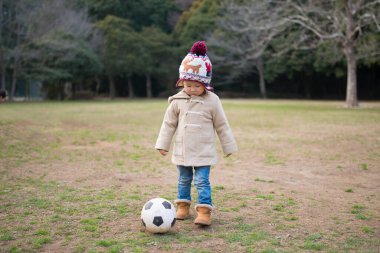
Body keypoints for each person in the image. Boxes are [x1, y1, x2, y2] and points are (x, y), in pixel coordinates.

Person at [155, 41, 238, 226]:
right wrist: (163, 145)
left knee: (202, 181)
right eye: (187, 84)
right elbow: (168, 124)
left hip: (203, 151)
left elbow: (222, 125)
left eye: (196, 85)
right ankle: (183, 206)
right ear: (181, 81)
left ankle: (204, 211)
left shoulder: (213, 101)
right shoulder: (177, 101)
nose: (191, 89)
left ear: (205, 84)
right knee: (183, 179)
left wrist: (228, 146)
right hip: (183, 150)